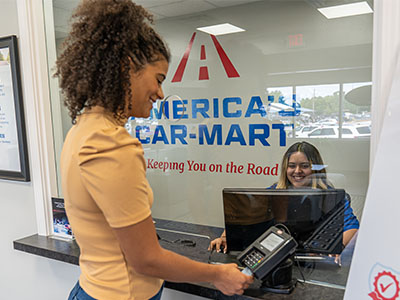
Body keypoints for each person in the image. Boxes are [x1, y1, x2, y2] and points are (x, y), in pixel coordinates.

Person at [56, 1, 253, 299]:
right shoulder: (111, 142)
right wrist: (218, 274)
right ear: (126, 67)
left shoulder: (82, 128)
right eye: (158, 79)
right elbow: (145, 259)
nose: (161, 94)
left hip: (93, 287)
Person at [209, 141, 359, 253]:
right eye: (292, 165)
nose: (297, 171)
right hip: (278, 258)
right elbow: (244, 217)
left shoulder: (330, 196)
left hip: (314, 259)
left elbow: (352, 229)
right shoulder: (274, 192)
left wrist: (336, 251)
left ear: (314, 168)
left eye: (304, 166)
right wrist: (224, 238)